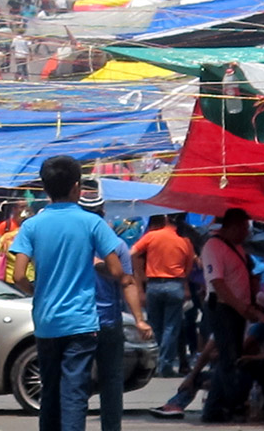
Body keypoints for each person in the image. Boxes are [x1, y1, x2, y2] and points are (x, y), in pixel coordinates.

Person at [10, 156, 127, 431]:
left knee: (49, 393)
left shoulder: (31, 225)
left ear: (45, 187)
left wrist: (37, 290)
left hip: (46, 322)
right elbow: (117, 270)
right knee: (74, 395)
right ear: (77, 188)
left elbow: (17, 276)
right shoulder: (92, 223)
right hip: (81, 323)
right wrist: (97, 270)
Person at [79, 185, 152, 431]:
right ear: (102, 212)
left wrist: (139, 319)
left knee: (77, 382)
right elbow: (127, 283)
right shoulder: (116, 243)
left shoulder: (74, 242)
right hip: (106, 321)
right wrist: (139, 319)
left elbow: (127, 282)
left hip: (80, 321)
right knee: (110, 381)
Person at [200, 208, 264, 423]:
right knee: (229, 359)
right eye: (244, 228)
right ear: (233, 226)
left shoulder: (237, 248)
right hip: (223, 309)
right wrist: (241, 307)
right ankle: (232, 404)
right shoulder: (213, 246)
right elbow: (218, 283)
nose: (247, 233)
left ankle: (215, 407)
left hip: (238, 309)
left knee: (230, 358)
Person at [131, 213, 195, 377]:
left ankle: (157, 363)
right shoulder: (185, 241)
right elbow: (188, 268)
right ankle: (164, 364)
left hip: (154, 284)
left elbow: (133, 252)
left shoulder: (153, 236)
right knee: (171, 327)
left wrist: (141, 275)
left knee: (156, 326)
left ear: (166, 219)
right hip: (175, 284)